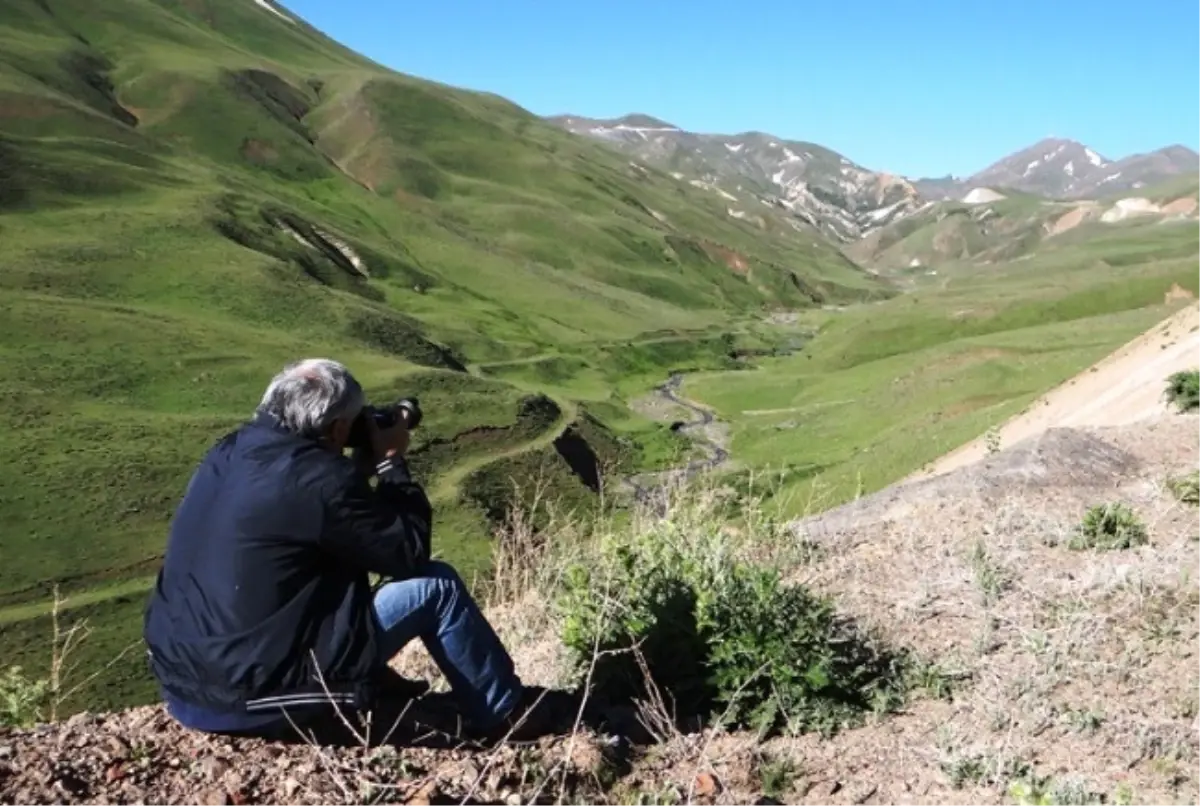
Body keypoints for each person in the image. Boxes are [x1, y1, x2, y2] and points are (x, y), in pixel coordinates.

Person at [142, 358, 562, 744]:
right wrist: (391, 463)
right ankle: (504, 715)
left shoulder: (228, 451)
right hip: (255, 696)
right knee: (437, 588)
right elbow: (407, 552)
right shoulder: (320, 482)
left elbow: (320, 528)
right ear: (339, 430)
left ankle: (371, 677)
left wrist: (350, 471)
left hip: (186, 683)